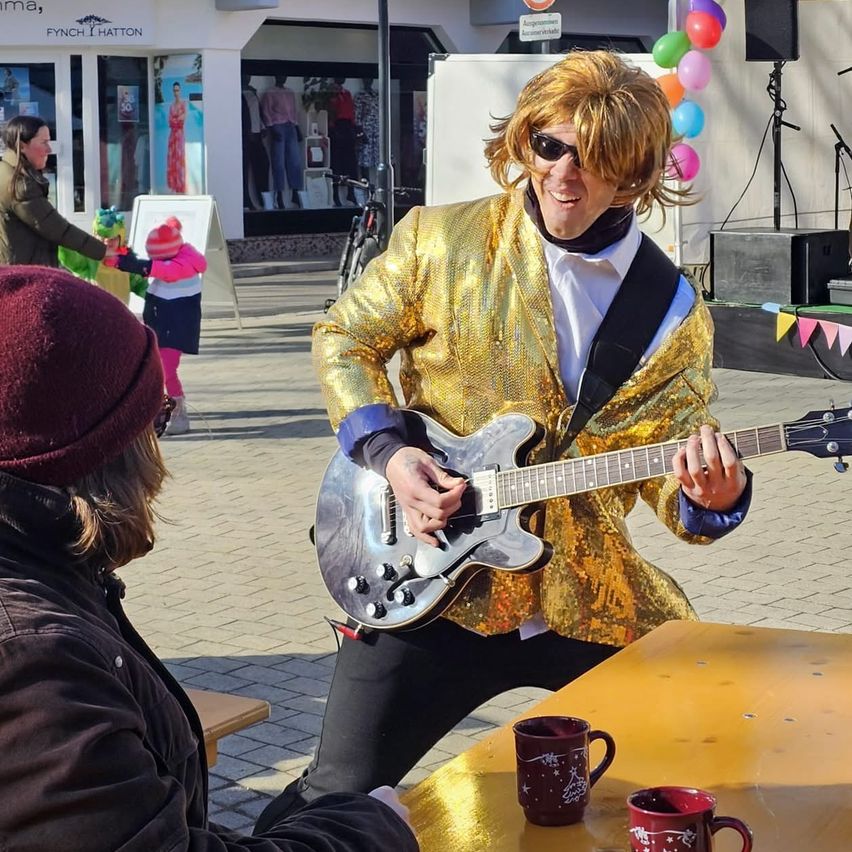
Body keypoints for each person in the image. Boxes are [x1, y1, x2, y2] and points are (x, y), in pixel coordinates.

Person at [255, 50, 753, 828]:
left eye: (595, 161)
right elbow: (343, 337)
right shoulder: (442, 242)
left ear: (636, 175)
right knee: (334, 793)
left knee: (691, 759)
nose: (562, 175)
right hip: (427, 585)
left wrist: (710, 497)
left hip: (588, 594)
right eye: (549, 147)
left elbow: (670, 453)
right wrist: (391, 456)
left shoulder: (673, 308)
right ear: (525, 142)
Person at [0, 265, 418, 852]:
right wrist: (371, 830)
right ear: (101, 454)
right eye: (157, 419)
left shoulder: (36, 567)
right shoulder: (32, 662)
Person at [109, 216, 203, 435]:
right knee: (156, 369)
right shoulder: (174, 257)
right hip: (161, 325)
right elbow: (149, 266)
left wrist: (120, 262)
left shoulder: (180, 266)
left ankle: (178, 414)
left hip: (175, 329)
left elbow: (152, 268)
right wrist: (125, 254)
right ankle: (160, 410)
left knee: (166, 370)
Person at [0, 115, 111, 266]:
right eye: (44, 142)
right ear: (22, 146)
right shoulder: (19, 185)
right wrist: (104, 251)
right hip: (24, 277)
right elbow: (57, 229)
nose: (49, 149)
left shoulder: (6, 171)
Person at [59, 205, 147, 304]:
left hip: (120, 314)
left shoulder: (127, 260)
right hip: (94, 314)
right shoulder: (89, 258)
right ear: (95, 236)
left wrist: (154, 298)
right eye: (102, 237)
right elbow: (72, 258)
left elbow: (139, 283)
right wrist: (64, 234)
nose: (107, 242)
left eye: (113, 239)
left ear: (120, 239)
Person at [167, 81, 187, 194]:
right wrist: (176, 120)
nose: (176, 92)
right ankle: (174, 183)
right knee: (172, 159)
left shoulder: (183, 104)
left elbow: (182, 120)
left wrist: (176, 120)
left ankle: (180, 184)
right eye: (174, 90)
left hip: (179, 134)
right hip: (172, 135)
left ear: (180, 91)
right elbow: (170, 121)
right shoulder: (171, 106)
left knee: (179, 158)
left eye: (177, 90)